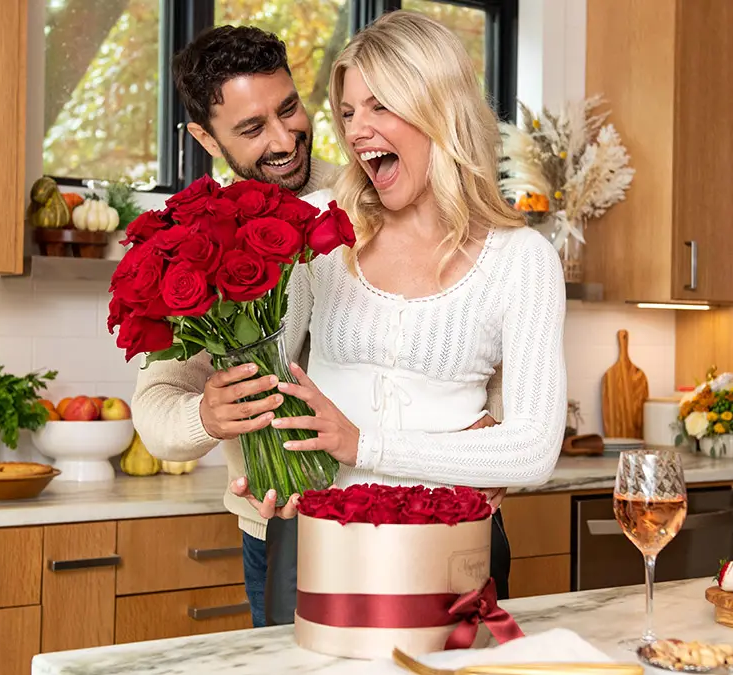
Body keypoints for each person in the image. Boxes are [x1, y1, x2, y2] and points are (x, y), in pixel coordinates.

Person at [133, 23, 507, 628]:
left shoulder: (372, 187)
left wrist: (500, 431)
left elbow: (472, 304)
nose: (284, 139)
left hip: (432, 515)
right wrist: (204, 416)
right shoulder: (201, 242)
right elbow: (155, 407)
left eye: (289, 110)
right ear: (205, 136)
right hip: (283, 525)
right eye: (252, 129)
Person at [230, 10, 567, 623]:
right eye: (349, 111)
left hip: (452, 545)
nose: (358, 129)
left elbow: (533, 450)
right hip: (317, 536)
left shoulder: (523, 260)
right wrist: (273, 462)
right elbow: (279, 373)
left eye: (379, 105)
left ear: (440, 108)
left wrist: (365, 445)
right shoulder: (320, 230)